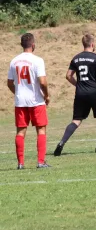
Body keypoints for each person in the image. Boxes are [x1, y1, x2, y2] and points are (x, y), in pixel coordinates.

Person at [54, 34, 96, 156]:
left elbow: (68, 75)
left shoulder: (76, 58)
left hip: (80, 93)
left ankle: (62, 142)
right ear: (92, 44)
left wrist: (78, 84)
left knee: (76, 120)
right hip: (94, 92)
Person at [7, 33, 51, 169]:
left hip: (20, 102)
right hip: (36, 100)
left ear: (21, 45)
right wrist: (46, 95)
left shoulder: (14, 61)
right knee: (41, 129)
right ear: (33, 45)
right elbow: (42, 82)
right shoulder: (37, 60)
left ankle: (20, 163)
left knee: (20, 131)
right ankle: (40, 161)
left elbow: (9, 83)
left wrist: (18, 92)